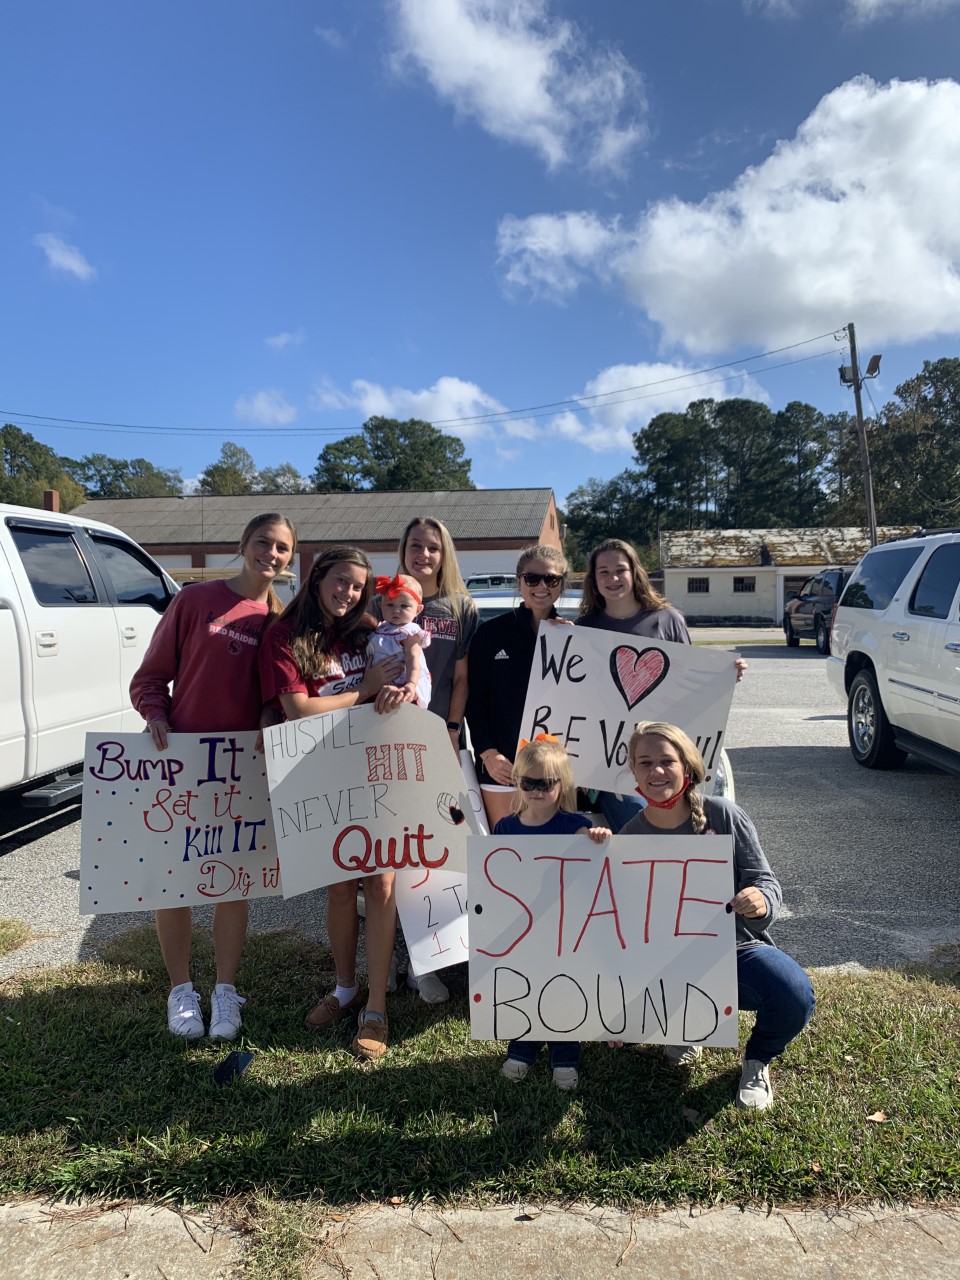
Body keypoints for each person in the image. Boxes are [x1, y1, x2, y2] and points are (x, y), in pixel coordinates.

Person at [130, 512, 297, 1042]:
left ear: (291, 560)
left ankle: (226, 992)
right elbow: (151, 676)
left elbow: (280, 701)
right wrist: (156, 714)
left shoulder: (281, 622)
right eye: (264, 543)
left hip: (243, 769)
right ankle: (181, 989)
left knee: (232, 882)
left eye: (283, 549)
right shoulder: (194, 602)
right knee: (173, 879)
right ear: (243, 545)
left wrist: (272, 731)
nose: (272, 554)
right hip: (182, 760)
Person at [611, 721, 815, 1110]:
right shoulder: (628, 836)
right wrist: (614, 1011)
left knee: (793, 993)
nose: (656, 771)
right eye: (645, 762)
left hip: (734, 948)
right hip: (663, 960)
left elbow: (764, 879)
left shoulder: (724, 815)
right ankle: (685, 1027)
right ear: (633, 771)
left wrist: (761, 901)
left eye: (666, 761)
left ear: (687, 767)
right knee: (619, 1030)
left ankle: (757, 1060)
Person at [259, 545, 404, 1062]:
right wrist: (364, 690)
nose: (349, 593)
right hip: (318, 774)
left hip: (376, 769)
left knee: (382, 883)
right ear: (317, 578)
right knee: (342, 887)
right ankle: (345, 989)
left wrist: (395, 694)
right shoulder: (283, 634)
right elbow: (297, 709)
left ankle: (378, 1005)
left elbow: (406, 680)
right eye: (340, 581)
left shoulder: (369, 631)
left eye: (357, 586)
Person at [576, 538, 746, 829]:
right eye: (603, 571)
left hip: (665, 753)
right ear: (593, 579)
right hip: (609, 760)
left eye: (620, 569)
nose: (612, 578)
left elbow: (691, 679)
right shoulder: (583, 628)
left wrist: (724, 676)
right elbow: (573, 693)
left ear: (634, 572)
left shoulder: (667, 619)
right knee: (639, 825)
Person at [380, 515, 479, 1004]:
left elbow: (461, 679)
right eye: (415, 545)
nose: (423, 554)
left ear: (445, 554)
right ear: (403, 548)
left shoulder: (459, 607)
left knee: (440, 847)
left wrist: (454, 729)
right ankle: (400, 960)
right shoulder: (382, 604)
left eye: (433, 548)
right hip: (386, 744)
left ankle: (438, 953)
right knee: (395, 853)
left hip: (439, 741)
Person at [495, 736, 611, 1092]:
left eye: (546, 783)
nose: (537, 790)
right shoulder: (505, 828)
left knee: (564, 990)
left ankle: (565, 1055)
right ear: (517, 782)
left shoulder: (574, 826)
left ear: (562, 785)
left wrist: (598, 836)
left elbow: (593, 855)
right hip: (522, 930)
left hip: (566, 930)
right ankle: (522, 1048)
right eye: (528, 782)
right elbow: (496, 878)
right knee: (525, 987)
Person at [467, 543, 569, 829]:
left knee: (551, 857)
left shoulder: (573, 638)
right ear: (519, 581)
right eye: (532, 578)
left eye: (551, 579)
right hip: (502, 768)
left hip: (553, 771)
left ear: (561, 584)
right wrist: (487, 752)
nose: (541, 586)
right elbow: (475, 701)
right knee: (505, 855)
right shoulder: (490, 634)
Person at [367, 572, 432, 709]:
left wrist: (411, 684)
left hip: (401, 686)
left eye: (404, 606)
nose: (396, 610)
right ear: (381, 606)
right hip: (377, 685)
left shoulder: (409, 632)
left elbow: (413, 658)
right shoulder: (381, 628)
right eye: (390, 605)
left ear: (418, 610)